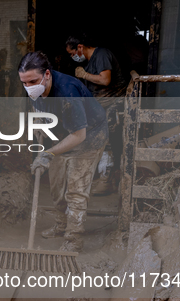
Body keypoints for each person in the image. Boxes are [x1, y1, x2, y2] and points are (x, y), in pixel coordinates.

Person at [18, 51, 108, 252]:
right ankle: (61, 224)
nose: (29, 87)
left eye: (33, 81)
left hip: (89, 136)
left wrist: (48, 154)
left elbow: (79, 136)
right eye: (24, 83)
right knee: (56, 185)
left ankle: (73, 239)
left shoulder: (68, 92)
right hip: (60, 134)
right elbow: (38, 108)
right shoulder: (35, 88)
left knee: (76, 189)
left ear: (47, 75)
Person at [66, 35, 128, 195]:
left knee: (104, 139)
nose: (73, 57)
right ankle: (94, 176)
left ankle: (105, 180)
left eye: (72, 53)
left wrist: (84, 75)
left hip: (113, 102)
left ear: (80, 47)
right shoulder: (91, 60)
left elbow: (105, 80)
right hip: (101, 104)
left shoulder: (101, 55)